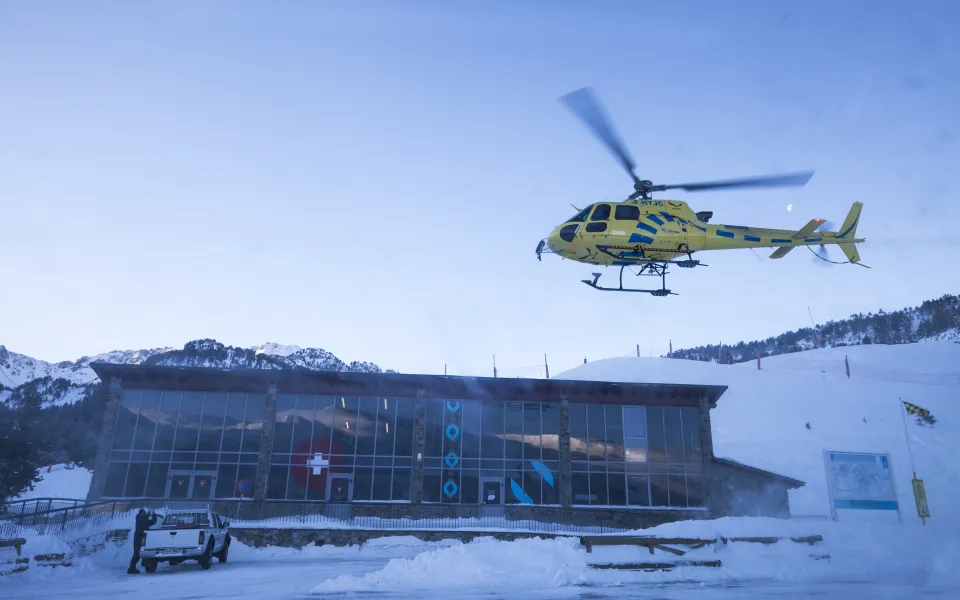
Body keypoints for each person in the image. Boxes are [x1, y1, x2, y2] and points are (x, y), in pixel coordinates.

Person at [128, 508, 158, 574]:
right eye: (144, 512)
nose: (145, 514)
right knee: (137, 553)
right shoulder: (139, 517)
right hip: (139, 537)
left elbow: (152, 522)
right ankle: (131, 568)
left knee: (138, 553)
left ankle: (132, 567)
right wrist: (149, 514)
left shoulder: (143, 519)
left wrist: (154, 515)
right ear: (141, 513)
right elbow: (145, 518)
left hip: (141, 537)